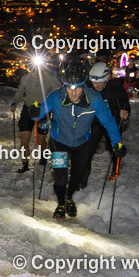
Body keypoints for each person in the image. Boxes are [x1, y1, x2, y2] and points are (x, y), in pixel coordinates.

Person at [34, 61, 126, 220]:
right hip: (59, 142)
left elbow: (109, 122)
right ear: (64, 85)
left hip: (82, 143)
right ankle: (61, 203)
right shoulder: (56, 96)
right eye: (69, 87)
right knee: (61, 178)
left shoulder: (95, 99)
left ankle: (69, 197)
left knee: (77, 177)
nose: (73, 92)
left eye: (77, 87)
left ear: (84, 84)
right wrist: (34, 110)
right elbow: (39, 111)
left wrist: (116, 143)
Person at [81, 62, 130, 186]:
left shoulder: (115, 87)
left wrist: (125, 110)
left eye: (99, 82)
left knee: (114, 148)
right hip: (94, 123)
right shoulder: (88, 86)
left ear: (108, 78)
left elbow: (124, 102)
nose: (95, 85)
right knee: (87, 150)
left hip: (111, 122)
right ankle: (82, 180)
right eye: (93, 81)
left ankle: (115, 171)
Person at [11, 58, 60, 172]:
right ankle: (25, 164)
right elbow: (19, 91)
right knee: (24, 140)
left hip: (43, 111)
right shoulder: (25, 78)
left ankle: (43, 155)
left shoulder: (51, 79)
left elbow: (58, 94)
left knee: (41, 140)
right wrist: (15, 102)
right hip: (28, 109)